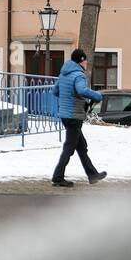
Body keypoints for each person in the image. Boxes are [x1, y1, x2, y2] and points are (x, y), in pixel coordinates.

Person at [51, 48, 108, 188]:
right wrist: (97, 96)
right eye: (85, 60)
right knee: (69, 148)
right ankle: (57, 177)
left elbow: (55, 91)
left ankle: (93, 175)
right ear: (81, 60)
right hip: (74, 116)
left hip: (65, 114)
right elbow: (82, 90)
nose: (87, 62)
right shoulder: (78, 75)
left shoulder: (64, 74)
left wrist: (68, 98)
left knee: (81, 146)